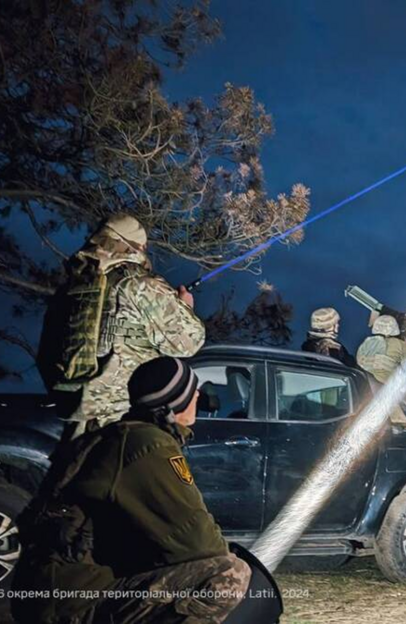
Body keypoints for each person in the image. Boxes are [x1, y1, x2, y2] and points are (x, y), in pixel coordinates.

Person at [12, 356, 251, 624]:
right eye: (192, 389)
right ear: (176, 401)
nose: (198, 394)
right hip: (70, 603)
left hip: (50, 591)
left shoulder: (117, 436)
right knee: (227, 573)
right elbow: (197, 543)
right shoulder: (147, 444)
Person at [37, 214, 205, 439]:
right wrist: (185, 307)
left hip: (76, 418)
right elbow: (189, 342)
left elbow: (45, 356)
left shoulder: (68, 290)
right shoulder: (138, 284)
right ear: (134, 247)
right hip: (124, 423)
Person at [356, 315, 406, 425]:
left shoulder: (366, 343)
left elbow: (358, 362)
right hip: (390, 389)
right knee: (400, 423)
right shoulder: (401, 345)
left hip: (365, 388)